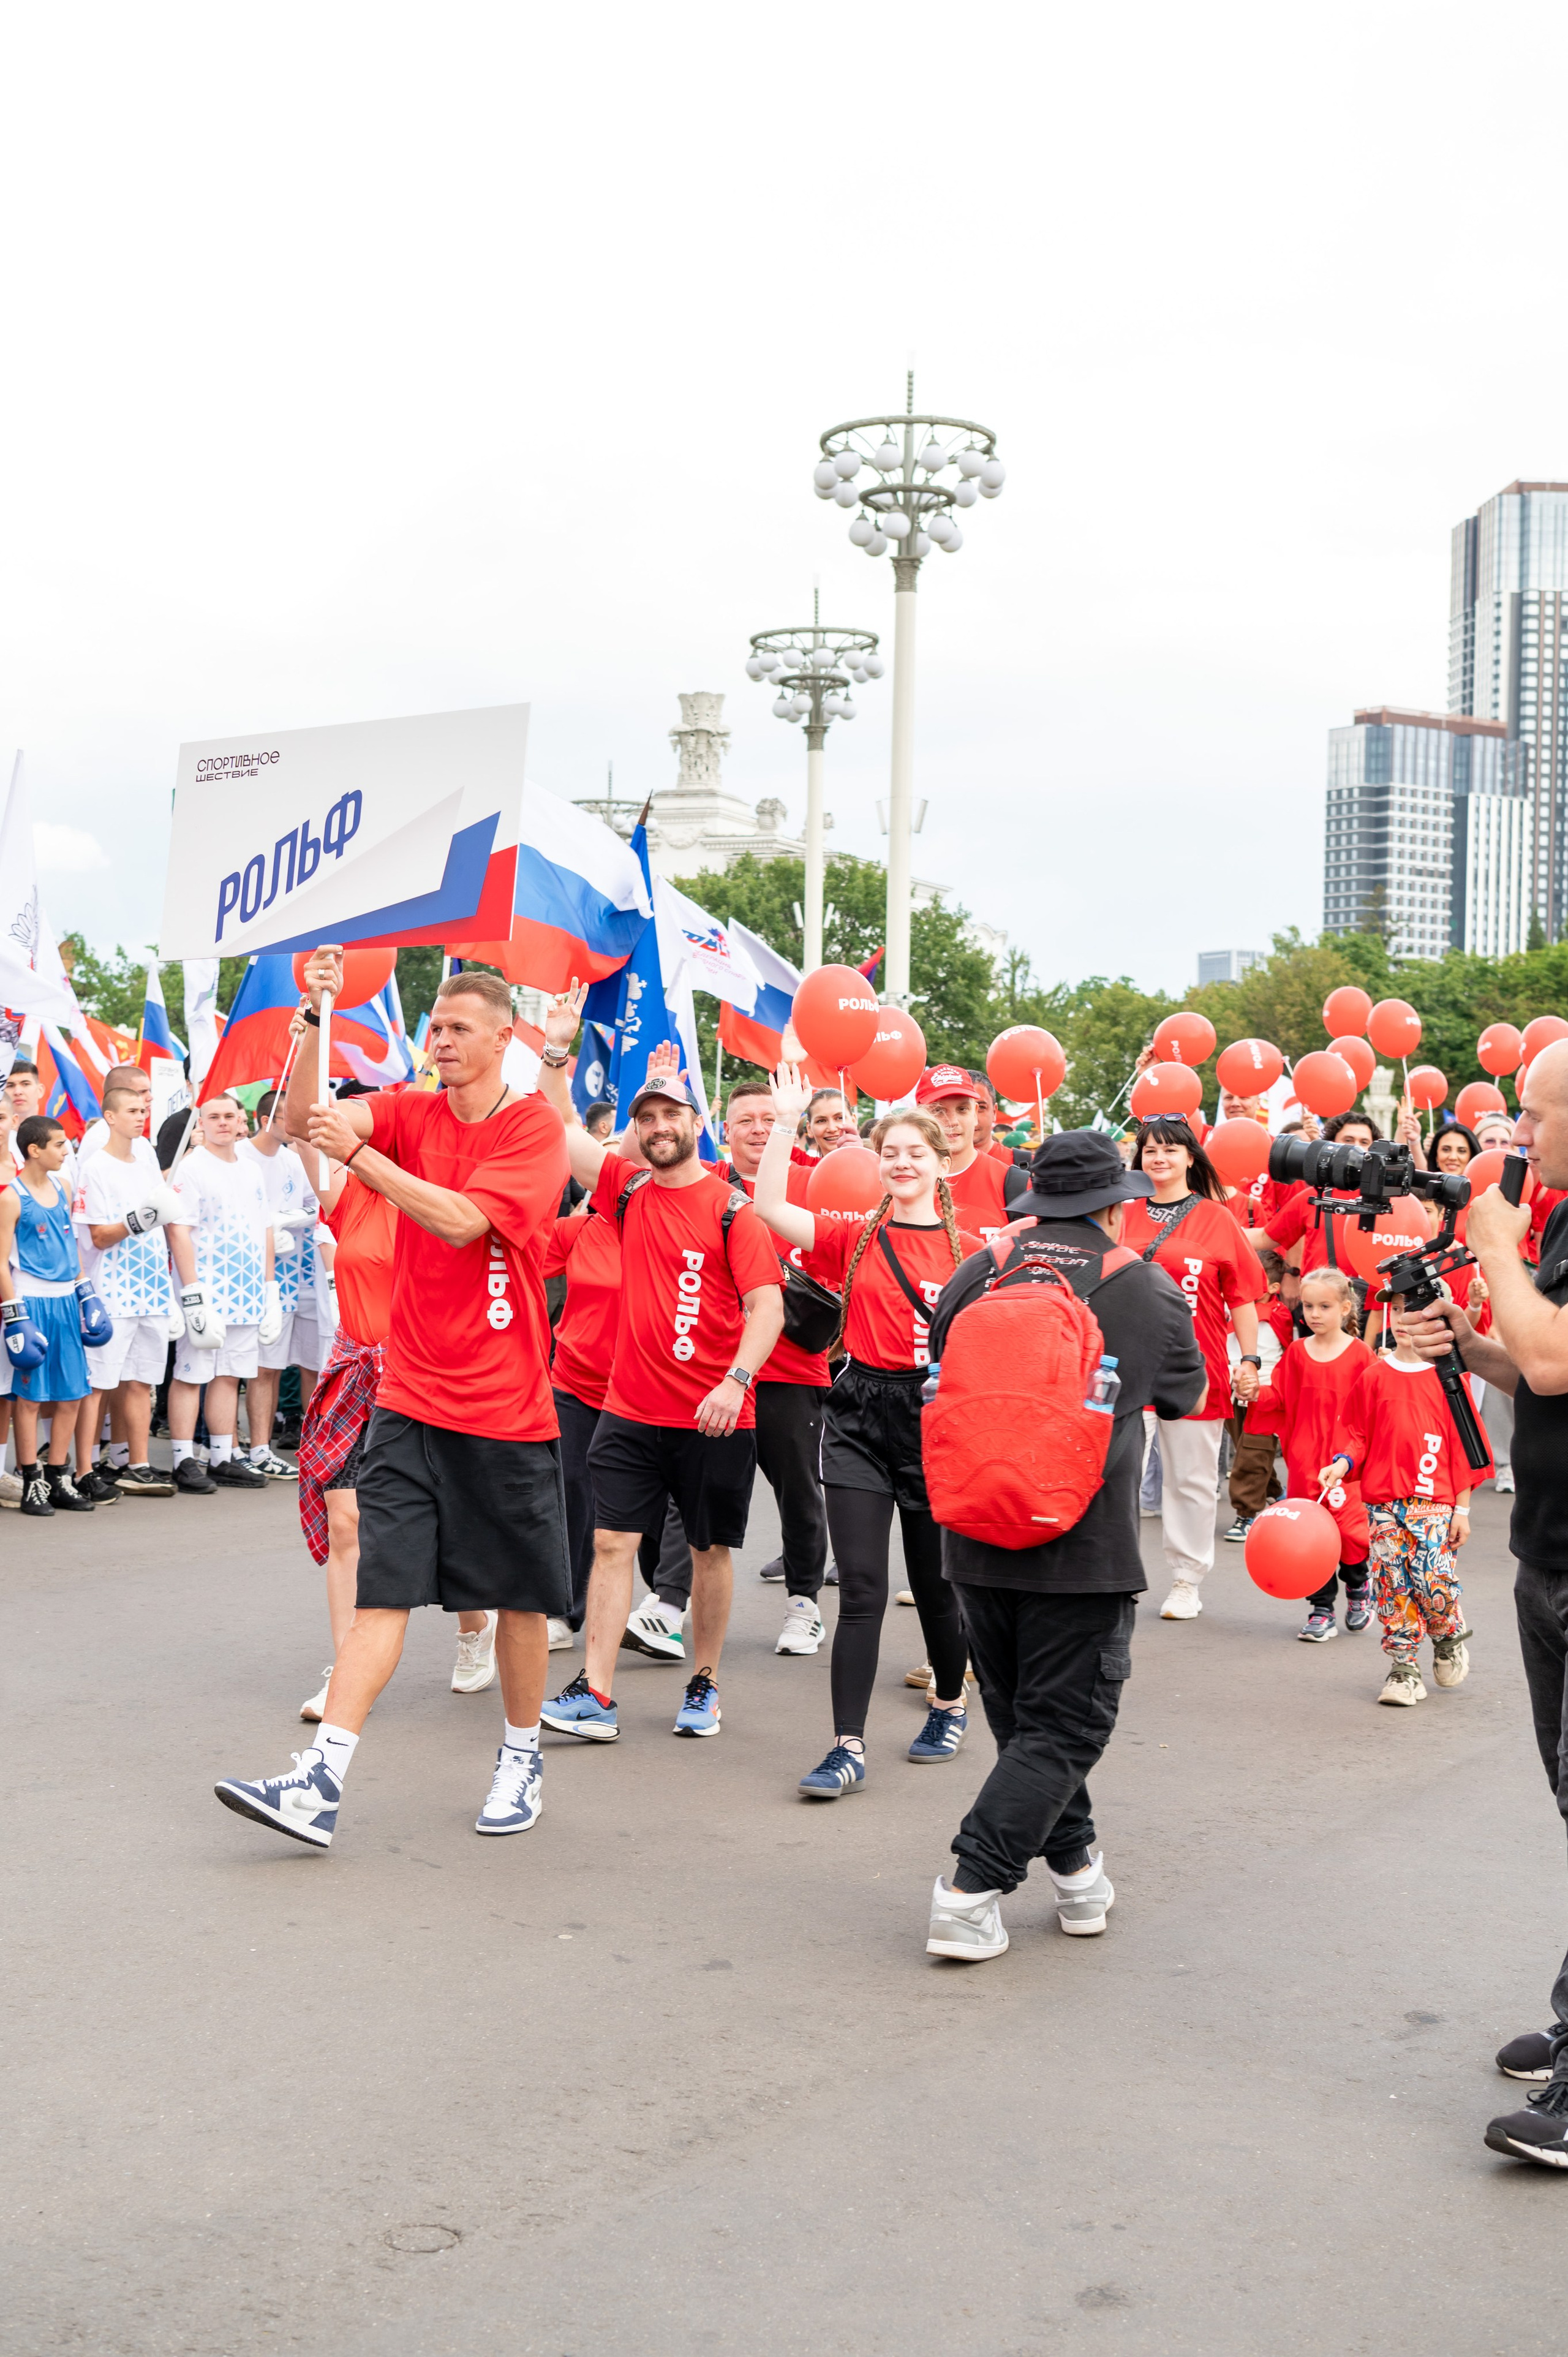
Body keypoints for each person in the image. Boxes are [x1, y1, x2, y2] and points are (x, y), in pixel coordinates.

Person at [216, 955, 572, 1847]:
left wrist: (367, 1161)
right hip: (409, 1399)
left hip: (503, 1409)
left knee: (518, 1601)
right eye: (434, 1028)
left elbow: (461, 1222)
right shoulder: (411, 1110)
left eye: (457, 1029)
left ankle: (521, 1756)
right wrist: (315, 1015)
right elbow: (306, 1120)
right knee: (381, 1592)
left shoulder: (531, 1130)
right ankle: (320, 1779)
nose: (440, 1041)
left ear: (503, 1039)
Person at [922, 1129, 1207, 1963]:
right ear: (1117, 1206)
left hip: (974, 1531)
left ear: (1033, 1200)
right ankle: (970, 1889)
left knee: (1028, 1727)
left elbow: (941, 1369)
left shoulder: (982, 1270)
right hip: (1080, 1543)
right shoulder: (1143, 1285)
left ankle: (1079, 1876)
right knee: (1066, 1728)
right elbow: (1186, 1394)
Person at [1393, 1041, 1568, 2163]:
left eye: (1538, 1117)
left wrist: (1494, 1250)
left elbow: (1555, 1360)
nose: (1520, 1137)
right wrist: (1473, 1345)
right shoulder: (1558, 1224)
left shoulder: (1530, 1225)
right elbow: (1539, 1367)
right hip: (1548, 1553)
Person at [532, 1005, 785, 1744]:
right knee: (613, 1544)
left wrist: (734, 1379)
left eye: (671, 1112)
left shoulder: (735, 1212)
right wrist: (555, 1049)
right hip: (631, 1411)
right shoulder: (625, 1191)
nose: (658, 1124)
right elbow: (560, 1128)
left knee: (709, 1553)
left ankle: (703, 1682)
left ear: (694, 1124)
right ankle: (597, 1692)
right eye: (647, 1115)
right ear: (639, 1130)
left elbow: (766, 1309)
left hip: (716, 1417)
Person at [755, 1068, 977, 1798]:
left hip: (934, 1420)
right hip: (855, 1413)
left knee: (936, 1587)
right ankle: (846, 1745)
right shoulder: (852, 1236)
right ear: (877, 1162)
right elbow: (767, 1206)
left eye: (917, 1150)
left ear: (942, 1162)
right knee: (861, 1589)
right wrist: (785, 1122)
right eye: (891, 1151)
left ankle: (949, 1700)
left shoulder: (975, 1252)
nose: (903, 1161)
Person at [1119, 1117, 1267, 1620]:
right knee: (1118, 1473)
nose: (1158, 1159)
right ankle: (1115, 1571)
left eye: (1169, 1150)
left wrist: (1248, 1358)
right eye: (1149, 1151)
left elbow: (1243, 1297)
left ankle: (1186, 1579)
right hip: (1125, 1367)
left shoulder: (1216, 1218)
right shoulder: (1120, 1213)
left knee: (1191, 1478)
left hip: (1194, 1369)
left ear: (1190, 1157)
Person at [712, 1079, 832, 1656]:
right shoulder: (705, 1182)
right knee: (692, 1492)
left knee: (798, 1494)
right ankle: (668, 1601)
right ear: (725, 1130)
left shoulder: (810, 1180)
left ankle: (804, 1604)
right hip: (719, 1369)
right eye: (746, 1120)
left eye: (769, 1118)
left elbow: (845, 1250)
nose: (759, 1129)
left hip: (791, 1369)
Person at [1319, 1305, 1485, 1704]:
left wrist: (1462, 1510)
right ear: (1393, 1319)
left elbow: (1465, 1447)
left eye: (1422, 1317)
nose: (1411, 1326)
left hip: (1434, 1501)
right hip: (1383, 1503)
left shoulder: (1449, 1379)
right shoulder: (1374, 1376)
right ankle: (1403, 1668)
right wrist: (1341, 1464)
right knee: (1393, 1586)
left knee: (1432, 1579)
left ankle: (1447, 1635)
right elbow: (1357, 1433)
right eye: (1404, 1314)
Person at [1246, 1267, 1373, 1641]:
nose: (1314, 1314)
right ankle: (1321, 1608)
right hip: (1305, 1462)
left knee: (1351, 1535)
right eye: (1308, 1306)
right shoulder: (1298, 1353)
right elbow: (1280, 1398)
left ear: (1345, 1308)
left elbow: (1370, 1415)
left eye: (1324, 1306)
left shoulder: (1362, 1356)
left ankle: (1358, 1589)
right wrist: (1255, 1392)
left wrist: (1351, 1457)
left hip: (1346, 1466)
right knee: (1310, 1536)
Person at [166, 1095, 280, 1493]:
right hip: (208, 1288)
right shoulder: (192, 1168)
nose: (222, 1123)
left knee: (230, 1375)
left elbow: (265, 1227)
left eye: (229, 1116)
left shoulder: (250, 1170)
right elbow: (178, 1228)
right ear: (202, 1122)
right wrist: (192, 1290)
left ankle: (222, 1456)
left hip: (247, 1289)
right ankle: (183, 1459)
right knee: (192, 1373)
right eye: (213, 1117)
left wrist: (269, 1289)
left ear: (242, 1121)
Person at [77, 1081, 183, 1497]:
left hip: (152, 1288)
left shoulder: (146, 1159)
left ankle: (136, 1464)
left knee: (142, 1380)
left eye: (144, 1110)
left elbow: (165, 1219)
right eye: (134, 1110)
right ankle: (84, 1467)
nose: (142, 1116)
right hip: (113, 1290)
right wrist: (140, 1219)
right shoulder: (96, 1167)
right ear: (111, 1117)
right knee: (100, 1382)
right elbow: (100, 1236)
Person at [2, 1114, 103, 1515]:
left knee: (73, 1394)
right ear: (34, 1150)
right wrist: (15, 1316)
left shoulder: (63, 1188)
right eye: (59, 1145)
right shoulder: (11, 1197)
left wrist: (85, 1291)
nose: (66, 1151)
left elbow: (70, 1245)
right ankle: (32, 1481)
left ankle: (60, 1476)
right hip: (32, 1301)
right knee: (28, 1397)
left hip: (65, 1301)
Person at [237, 1092, 319, 1478]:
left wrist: (285, 1219)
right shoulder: (240, 1156)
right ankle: (257, 1447)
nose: (296, 1125)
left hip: (298, 1273)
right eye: (289, 1118)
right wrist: (265, 1227)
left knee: (307, 1364)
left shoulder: (294, 1159)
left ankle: (315, 1445)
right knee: (262, 1368)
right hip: (253, 1276)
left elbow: (314, 1205)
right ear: (265, 1118)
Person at [1221, 1240, 1291, 1541]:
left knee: (1252, 1454)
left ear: (1273, 1287)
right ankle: (1276, 1491)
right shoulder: (1234, 1309)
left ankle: (1247, 1513)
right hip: (1232, 1390)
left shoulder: (1278, 1314)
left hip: (1264, 1395)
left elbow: (1286, 1356)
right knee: (1246, 1450)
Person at [915, 1065, 1027, 1243]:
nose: (952, 1121)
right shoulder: (900, 1181)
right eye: (938, 1110)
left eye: (962, 1109)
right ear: (918, 1115)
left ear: (975, 1114)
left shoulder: (1015, 1184)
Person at [803, 1088, 850, 1158]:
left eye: (840, 1118)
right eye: (821, 1121)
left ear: (854, 1121)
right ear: (809, 1129)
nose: (832, 1129)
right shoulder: (803, 1167)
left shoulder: (871, 1163)